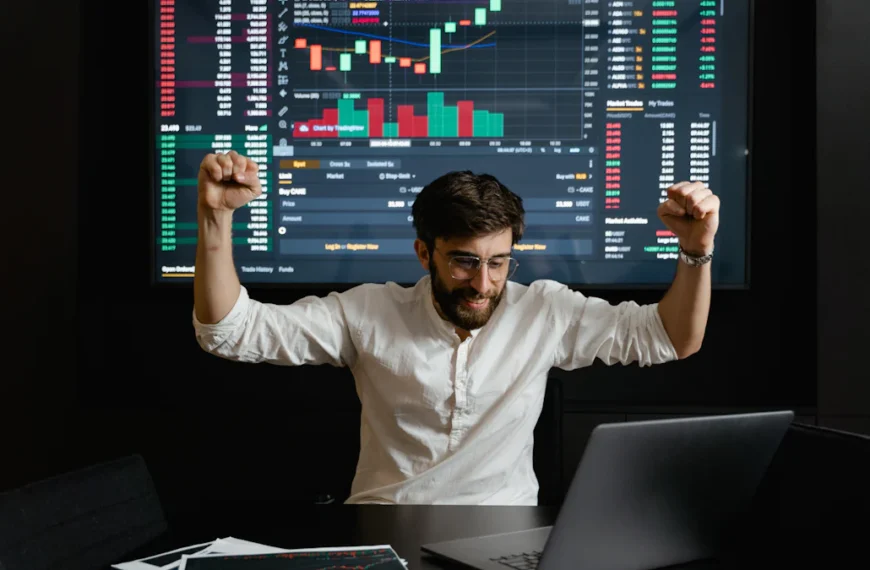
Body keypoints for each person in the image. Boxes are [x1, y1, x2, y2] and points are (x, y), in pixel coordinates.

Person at [193, 150, 720, 505]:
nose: (483, 283)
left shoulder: (545, 311)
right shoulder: (368, 311)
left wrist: (696, 252)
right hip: (383, 531)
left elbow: (671, 338)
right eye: (464, 261)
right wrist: (216, 218)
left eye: (498, 262)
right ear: (425, 252)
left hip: (505, 538)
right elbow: (230, 331)